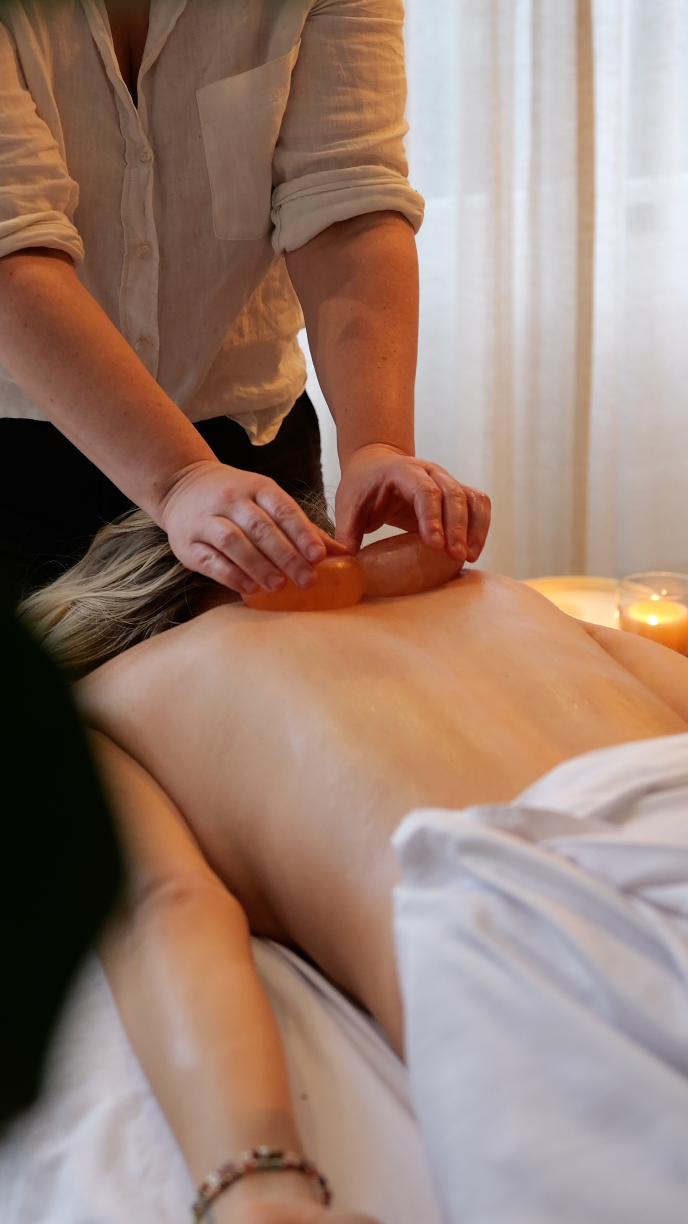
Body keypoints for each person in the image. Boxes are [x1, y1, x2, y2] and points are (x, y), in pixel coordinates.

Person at [19, 517, 688, 1221]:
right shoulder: (498, 594)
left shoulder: (107, 708)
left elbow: (170, 909)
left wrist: (257, 1184)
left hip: (531, 933)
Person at [0, 0, 491, 598]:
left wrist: (376, 445)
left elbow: (346, 194)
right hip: (18, 456)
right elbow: (11, 249)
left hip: (250, 444)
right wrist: (180, 479)